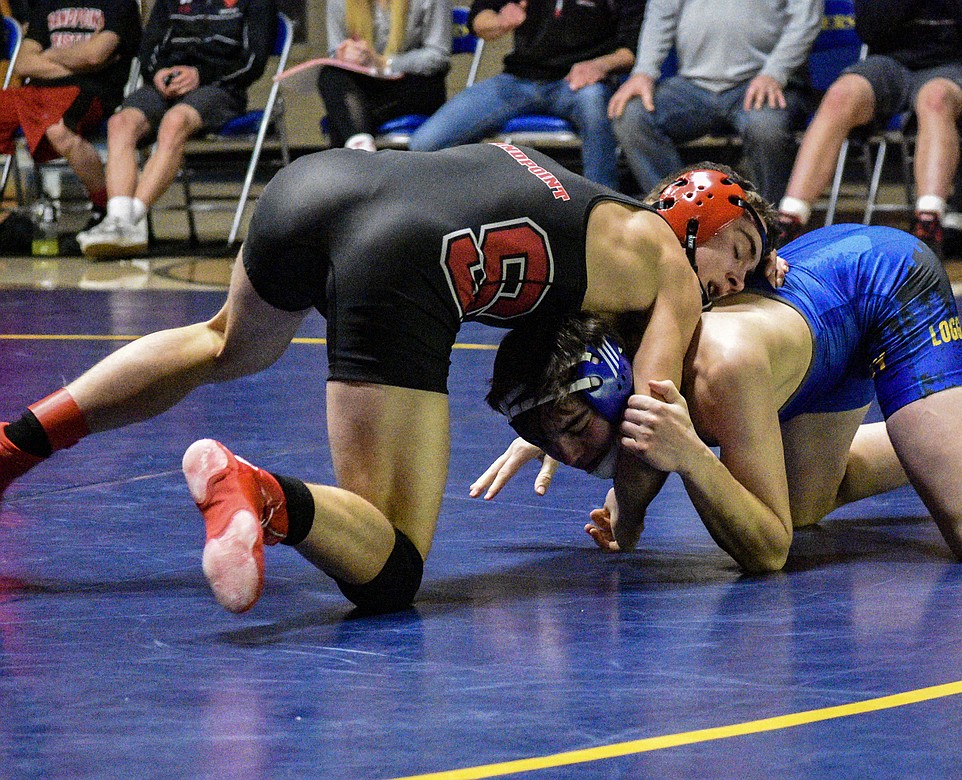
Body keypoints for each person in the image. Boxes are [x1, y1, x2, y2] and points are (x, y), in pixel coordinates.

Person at [0, 143, 778, 614]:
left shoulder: (584, 200)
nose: (735, 280)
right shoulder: (669, 273)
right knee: (393, 569)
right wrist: (632, 516)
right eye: (738, 251)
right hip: (405, 258)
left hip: (322, 184)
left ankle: (17, 444)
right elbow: (652, 414)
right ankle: (257, 493)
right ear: (696, 220)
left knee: (225, 343)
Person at [478, 168, 962, 572]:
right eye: (736, 257)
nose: (741, 276)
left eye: (751, 260)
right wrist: (549, 420)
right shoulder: (644, 299)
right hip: (819, 320)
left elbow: (768, 550)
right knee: (809, 501)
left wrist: (694, 459)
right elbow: (586, 363)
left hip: (883, 288)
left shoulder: (721, 358)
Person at [772, 0, 962, 256]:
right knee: (840, 95)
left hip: (961, 66)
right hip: (892, 64)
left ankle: (929, 221)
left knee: (934, 98)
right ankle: (790, 220)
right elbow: (871, 30)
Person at [74, 0, 277, 259]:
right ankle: (118, 220)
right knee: (121, 123)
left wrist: (200, 75)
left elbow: (253, 62)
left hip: (219, 87)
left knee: (175, 122)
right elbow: (148, 50)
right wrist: (158, 73)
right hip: (165, 85)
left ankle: (126, 224)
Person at [407, 0, 645, 191]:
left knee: (596, 106)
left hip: (580, 83)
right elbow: (479, 19)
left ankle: (603, 206)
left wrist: (600, 65)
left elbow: (632, 49)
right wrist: (500, 21)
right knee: (425, 143)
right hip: (518, 79)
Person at [606, 0, 821, 206]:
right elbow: (660, 16)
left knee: (766, 127)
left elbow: (805, 21)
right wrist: (644, 72)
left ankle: (770, 225)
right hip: (692, 85)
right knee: (632, 116)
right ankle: (679, 210)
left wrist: (775, 72)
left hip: (765, 80)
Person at [0, 0, 141, 223]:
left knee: (58, 129)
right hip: (37, 91)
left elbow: (95, 54)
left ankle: (104, 207)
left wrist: (47, 55)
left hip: (90, 90)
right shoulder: (48, 3)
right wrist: (77, 61)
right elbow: (22, 63)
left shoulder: (120, 4)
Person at [317, 0, 452, 152]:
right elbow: (335, 54)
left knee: (343, 117)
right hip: (367, 85)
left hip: (414, 83)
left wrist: (382, 62)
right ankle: (362, 147)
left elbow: (439, 56)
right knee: (330, 75)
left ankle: (359, 152)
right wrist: (348, 54)